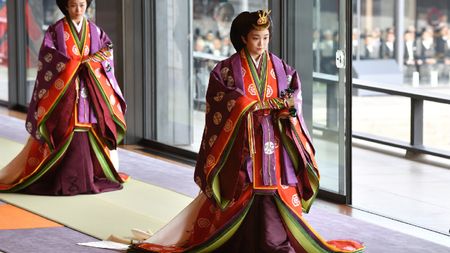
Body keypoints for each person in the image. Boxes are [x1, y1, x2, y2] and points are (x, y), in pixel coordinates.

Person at [128, 10, 364, 253]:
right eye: (255, 38)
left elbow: (294, 95)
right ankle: (235, 239)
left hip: (274, 139)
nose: (261, 44)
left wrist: (288, 110)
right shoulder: (227, 70)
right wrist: (249, 105)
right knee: (241, 187)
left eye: (265, 37)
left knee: (278, 189)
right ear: (243, 38)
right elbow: (220, 100)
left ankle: (275, 240)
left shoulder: (281, 68)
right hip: (243, 142)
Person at [0, 0, 127, 195]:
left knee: (88, 130)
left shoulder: (95, 31)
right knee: (64, 131)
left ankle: (88, 177)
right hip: (64, 94)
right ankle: (60, 179)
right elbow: (48, 58)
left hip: (88, 91)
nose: (78, 10)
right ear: (66, 7)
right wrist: (73, 65)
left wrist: (92, 63)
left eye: (82, 5)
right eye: (74, 5)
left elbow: (107, 51)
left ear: (87, 6)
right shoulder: (55, 31)